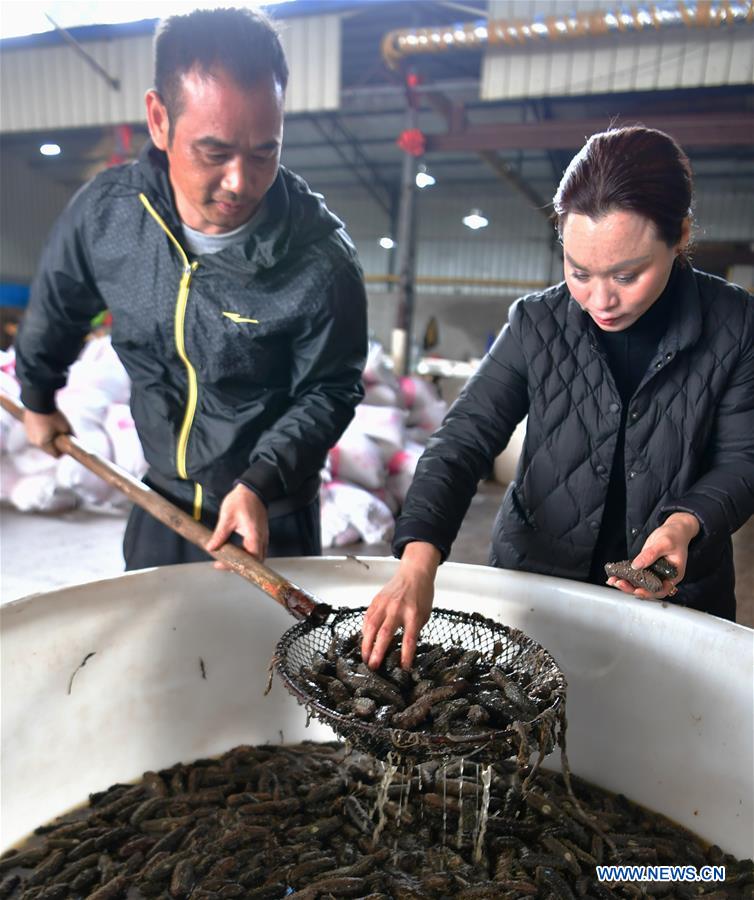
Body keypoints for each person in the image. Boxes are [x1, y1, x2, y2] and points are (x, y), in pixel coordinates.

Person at [361, 125, 754, 670]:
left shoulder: (734, 324)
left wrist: (685, 523)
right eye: (579, 271)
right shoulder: (536, 323)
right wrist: (417, 561)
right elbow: (463, 441)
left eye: (627, 275)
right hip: (537, 584)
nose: (600, 300)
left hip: (678, 595)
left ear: (680, 235)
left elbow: (742, 459)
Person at [15, 8, 368, 568]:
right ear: (159, 120)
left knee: (265, 633)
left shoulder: (320, 258)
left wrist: (260, 481)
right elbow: (59, 305)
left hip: (269, 515)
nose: (240, 182)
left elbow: (329, 389)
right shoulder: (110, 214)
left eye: (264, 152)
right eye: (215, 152)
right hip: (161, 502)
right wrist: (37, 396)